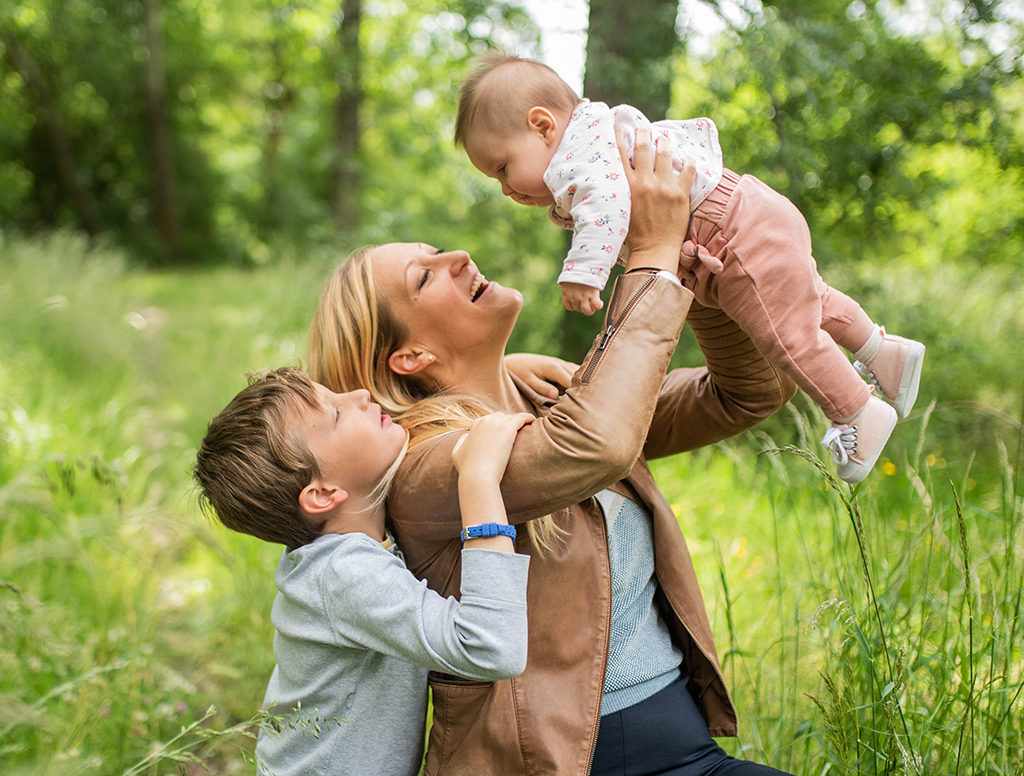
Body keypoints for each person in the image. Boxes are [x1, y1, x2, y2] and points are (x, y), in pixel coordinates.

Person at [307, 128, 796, 775]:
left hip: (681, 747)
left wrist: (700, 279)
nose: (457, 257)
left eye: (437, 250)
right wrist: (650, 255)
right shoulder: (430, 467)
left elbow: (746, 393)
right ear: (410, 357)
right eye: (426, 276)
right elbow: (595, 445)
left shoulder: (554, 396)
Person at [454, 53, 926, 484]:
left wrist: (583, 272)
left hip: (728, 235)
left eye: (501, 168)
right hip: (745, 212)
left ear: (542, 127)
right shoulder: (597, 133)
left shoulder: (582, 158)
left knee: (787, 336)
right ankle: (885, 353)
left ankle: (857, 411)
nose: (505, 189)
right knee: (813, 301)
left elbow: (608, 207)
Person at [192, 366, 534, 776]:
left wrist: (510, 371)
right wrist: (479, 479)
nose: (357, 394)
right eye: (337, 413)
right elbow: (491, 647)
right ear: (322, 495)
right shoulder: (345, 573)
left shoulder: (341, 546)